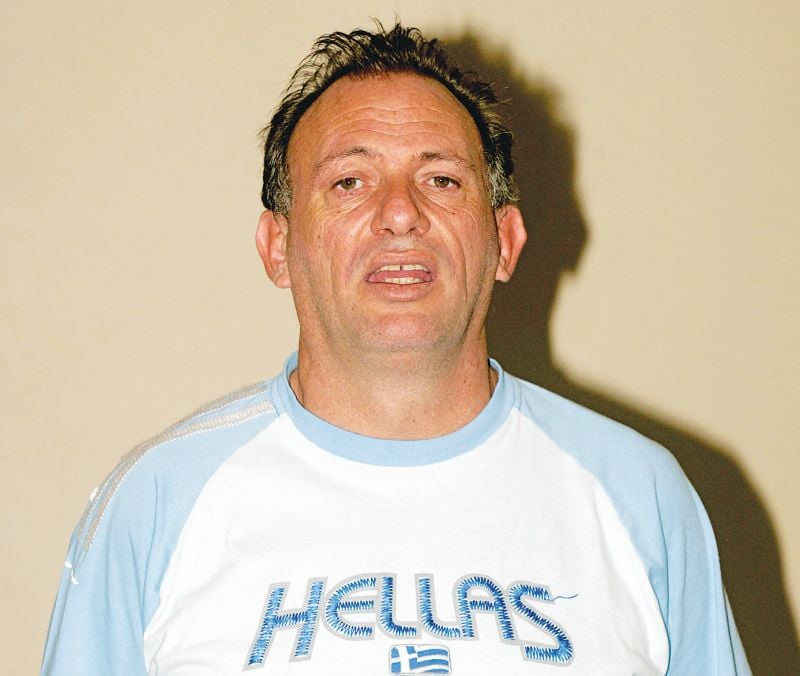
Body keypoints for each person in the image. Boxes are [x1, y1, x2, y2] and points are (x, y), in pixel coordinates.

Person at [41, 23, 750, 675]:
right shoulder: (157, 504)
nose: (402, 213)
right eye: (350, 182)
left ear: (504, 241)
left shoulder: (639, 497)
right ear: (277, 246)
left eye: (442, 179)